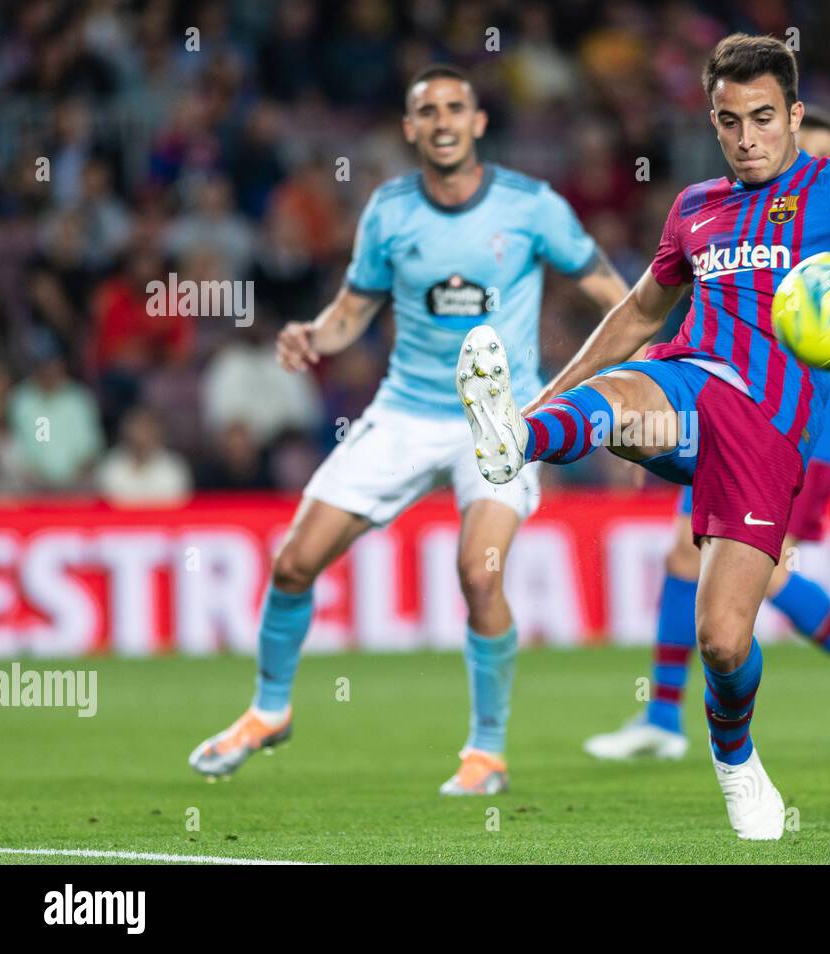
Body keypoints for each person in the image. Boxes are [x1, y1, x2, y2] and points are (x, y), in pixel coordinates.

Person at [457, 35, 830, 838]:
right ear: (713, 120)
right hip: (690, 377)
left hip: (767, 437)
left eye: (764, 118)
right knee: (627, 400)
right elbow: (638, 313)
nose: (746, 137)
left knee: (725, 643)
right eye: (729, 121)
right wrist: (545, 394)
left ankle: (736, 763)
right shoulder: (695, 208)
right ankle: (517, 436)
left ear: (795, 116)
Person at [188, 65, 629, 795]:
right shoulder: (389, 211)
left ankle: (486, 753)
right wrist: (313, 338)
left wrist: (624, 380)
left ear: (479, 123)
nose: (445, 120)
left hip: (498, 415)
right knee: (294, 563)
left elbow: (612, 292)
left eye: (458, 107)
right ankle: (268, 712)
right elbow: (353, 310)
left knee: (477, 574)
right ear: (411, 129)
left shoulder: (532, 207)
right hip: (403, 410)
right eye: (429, 111)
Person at [582, 109, 830, 762]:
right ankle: (662, 717)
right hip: (733, 407)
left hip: (808, 420)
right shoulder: (751, 217)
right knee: (686, 555)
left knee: (756, 568)